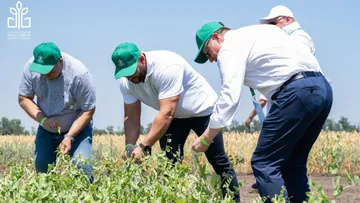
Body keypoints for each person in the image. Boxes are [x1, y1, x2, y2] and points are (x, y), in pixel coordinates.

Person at [191, 22, 333, 203]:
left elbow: (229, 97)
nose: (210, 58)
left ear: (217, 37)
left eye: (206, 52)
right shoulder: (262, 31)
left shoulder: (229, 48)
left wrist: (206, 138)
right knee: (293, 162)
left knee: (264, 162)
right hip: (322, 88)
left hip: (296, 92)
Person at [111, 42, 240, 202]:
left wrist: (144, 146)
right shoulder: (126, 83)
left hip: (202, 110)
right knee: (169, 164)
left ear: (142, 59)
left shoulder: (167, 66)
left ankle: (233, 200)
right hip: (176, 117)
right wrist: (130, 148)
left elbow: (166, 113)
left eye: (132, 71)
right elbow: (131, 117)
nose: (130, 77)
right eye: (125, 73)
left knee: (218, 160)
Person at [18, 42, 96, 182]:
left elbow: (88, 109)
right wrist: (43, 120)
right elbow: (24, 98)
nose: (47, 75)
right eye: (43, 71)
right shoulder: (30, 68)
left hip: (77, 128)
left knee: (82, 166)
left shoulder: (79, 74)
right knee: (42, 167)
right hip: (47, 128)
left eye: (51, 71)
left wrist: (70, 136)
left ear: (60, 61)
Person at [246, 5, 317, 130]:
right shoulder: (293, 37)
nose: (272, 28)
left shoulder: (298, 37)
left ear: (288, 19)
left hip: (297, 93)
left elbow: (296, 67)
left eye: (274, 23)